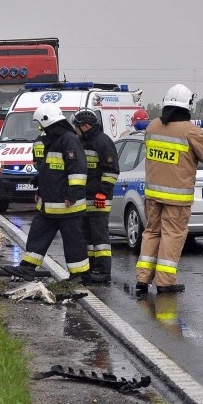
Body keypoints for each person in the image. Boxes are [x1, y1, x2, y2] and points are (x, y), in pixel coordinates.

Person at [3, 103, 100, 282]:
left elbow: (77, 170)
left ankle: (80, 275)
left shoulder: (69, 140)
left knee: (73, 242)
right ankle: (27, 268)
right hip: (49, 204)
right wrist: (39, 187)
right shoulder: (53, 140)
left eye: (40, 124)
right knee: (37, 235)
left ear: (48, 122)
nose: (40, 128)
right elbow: (49, 170)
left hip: (67, 206)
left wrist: (72, 194)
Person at [136, 84, 203, 294]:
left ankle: (142, 279)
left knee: (151, 232)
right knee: (172, 235)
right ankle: (165, 282)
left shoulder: (152, 126)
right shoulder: (190, 130)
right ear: (187, 105)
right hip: (177, 197)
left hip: (153, 194)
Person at [72, 108, 120, 283]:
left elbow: (112, 171)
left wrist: (103, 192)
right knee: (88, 238)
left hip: (100, 199)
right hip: (85, 198)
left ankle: (103, 271)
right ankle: (92, 268)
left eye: (77, 127)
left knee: (100, 238)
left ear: (86, 126)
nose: (75, 130)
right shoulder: (81, 142)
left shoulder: (103, 142)